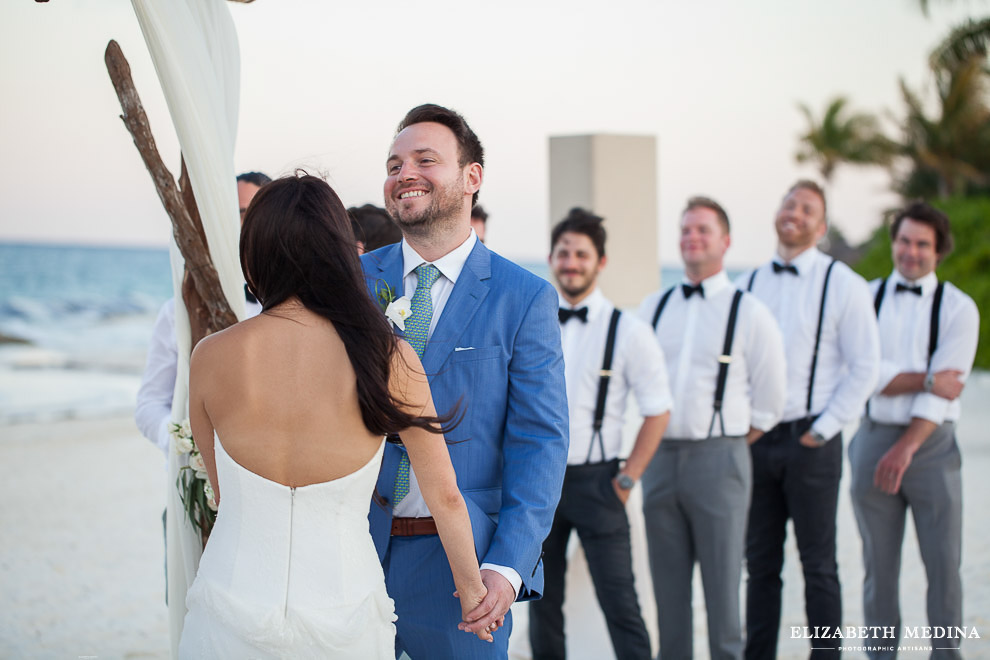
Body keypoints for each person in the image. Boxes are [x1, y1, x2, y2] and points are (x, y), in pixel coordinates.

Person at [178, 173, 490, 657]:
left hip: (229, 606)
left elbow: (224, 495)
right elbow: (445, 497)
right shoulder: (388, 357)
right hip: (345, 614)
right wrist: (472, 592)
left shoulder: (210, 357)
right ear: (341, 252)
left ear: (254, 253)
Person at [361, 103, 569, 659]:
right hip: (351, 556)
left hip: (464, 570)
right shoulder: (353, 282)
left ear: (472, 177)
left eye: (426, 160)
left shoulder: (524, 297)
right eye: (394, 163)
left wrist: (507, 566)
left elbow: (540, 443)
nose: (405, 174)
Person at [737, 180, 880, 659]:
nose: (793, 212)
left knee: (818, 565)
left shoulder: (845, 285)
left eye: (806, 208)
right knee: (760, 565)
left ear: (820, 227)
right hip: (756, 441)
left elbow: (865, 366)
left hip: (812, 440)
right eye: (788, 203)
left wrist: (825, 428)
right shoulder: (750, 282)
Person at [639, 197, 786, 660]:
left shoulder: (751, 312)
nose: (692, 238)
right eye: (685, 230)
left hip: (720, 459)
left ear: (726, 241)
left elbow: (770, 405)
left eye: (702, 230)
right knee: (668, 594)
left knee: (724, 593)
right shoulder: (654, 307)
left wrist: (727, 448)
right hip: (660, 461)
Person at [529, 208, 670, 660]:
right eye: (564, 253)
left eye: (581, 254)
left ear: (600, 262)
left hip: (600, 483)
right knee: (541, 605)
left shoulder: (630, 331)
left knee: (621, 603)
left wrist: (627, 479)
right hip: (538, 482)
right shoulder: (534, 321)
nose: (571, 262)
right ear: (551, 258)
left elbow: (658, 410)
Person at [849, 202, 978, 658]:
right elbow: (861, 373)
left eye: (922, 244)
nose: (911, 252)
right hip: (871, 440)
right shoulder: (864, 297)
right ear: (893, 242)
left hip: (933, 449)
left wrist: (905, 447)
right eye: (904, 240)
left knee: (943, 567)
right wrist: (924, 376)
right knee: (877, 569)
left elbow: (947, 389)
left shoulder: (959, 309)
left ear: (938, 251)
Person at [137, 171, 270, 456]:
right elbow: (149, 405)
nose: (238, 227)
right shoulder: (178, 312)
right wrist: (185, 441)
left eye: (247, 215)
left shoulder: (292, 307)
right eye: (230, 216)